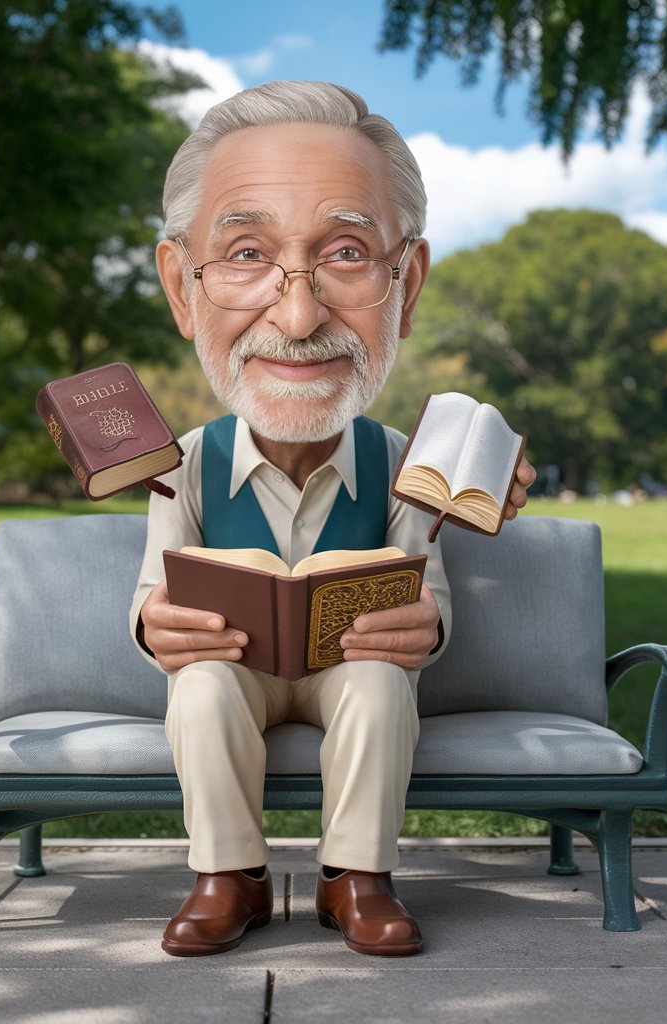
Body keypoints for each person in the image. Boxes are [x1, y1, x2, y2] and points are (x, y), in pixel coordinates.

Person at [129, 81, 535, 958]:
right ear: (181, 287)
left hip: (346, 662)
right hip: (234, 664)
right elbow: (151, 586)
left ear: (406, 283)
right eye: (244, 252)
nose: (300, 314)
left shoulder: (401, 460)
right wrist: (156, 624)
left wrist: (422, 623)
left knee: (381, 686)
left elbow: (424, 577)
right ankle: (226, 876)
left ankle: (356, 877)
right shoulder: (181, 464)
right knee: (199, 689)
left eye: (347, 252)